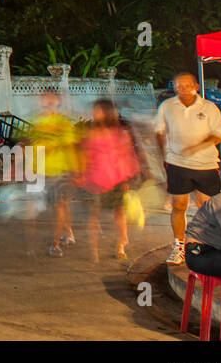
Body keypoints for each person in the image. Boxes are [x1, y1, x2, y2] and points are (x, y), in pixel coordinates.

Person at [156, 73, 221, 264]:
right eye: (179, 86)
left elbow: (220, 134)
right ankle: (179, 247)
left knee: (205, 207)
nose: (184, 90)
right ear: (175, 87)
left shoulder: (208, 108)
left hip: (206, 164)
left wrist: (198, 146)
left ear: (196, 86)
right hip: (177, 164)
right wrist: (163, 155)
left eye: (188, 85)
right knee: (179, 206)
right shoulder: (167, 107)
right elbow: (159, 132)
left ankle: (201, 244)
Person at [78, 98, 142, 262]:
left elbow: (127, 155)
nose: (94, 113)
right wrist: (82, 173)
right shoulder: (91, 131)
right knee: (94, 214)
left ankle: (121, 243)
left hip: (116, 178)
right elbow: (86, 154)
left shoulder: (120, 132)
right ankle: (94, 250)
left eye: (97, 110)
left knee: (119, 213)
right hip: (96, 178)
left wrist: (127, 179)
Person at [30, 89, 78, 256]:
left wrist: (74, 170)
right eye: (45, 98)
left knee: (60, 206)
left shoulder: (63, 123)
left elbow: (70, 147)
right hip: (41, 171)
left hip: (60, 170)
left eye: (51, 99)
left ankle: (56, 243)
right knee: (55, 206)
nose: (47, 102)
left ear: (57, 102)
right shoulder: (37, 123)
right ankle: (67, 231)